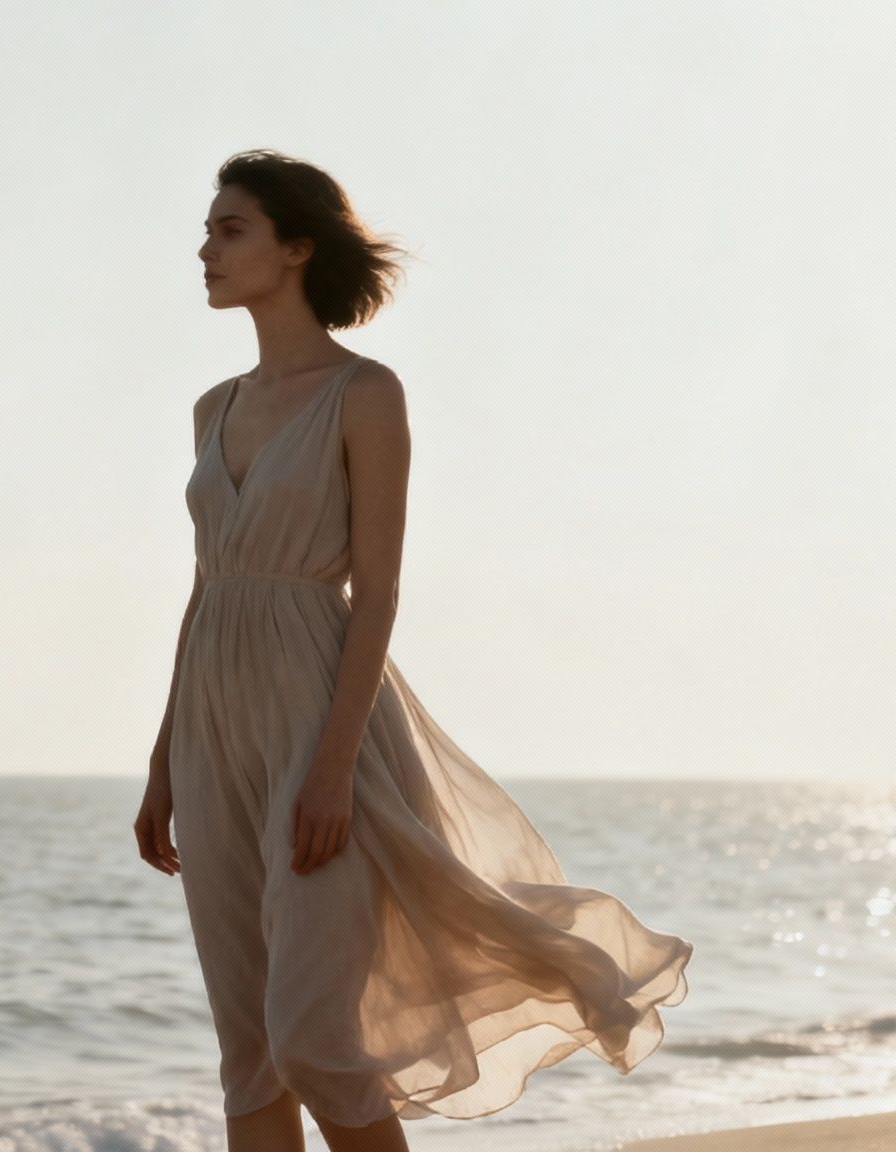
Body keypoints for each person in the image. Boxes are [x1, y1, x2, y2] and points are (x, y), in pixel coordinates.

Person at [134, 149, 694, 1152]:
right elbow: (203, 586)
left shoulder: (362, 392)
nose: (204, 249)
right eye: (207, 229)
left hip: (318, 714)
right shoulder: (208, 409)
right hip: (213, 730)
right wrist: (159, 760)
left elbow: (379, 588)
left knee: (317, 1037)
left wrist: (334, 767)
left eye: (230, 230)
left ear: (295, 249)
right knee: (247, 1046)